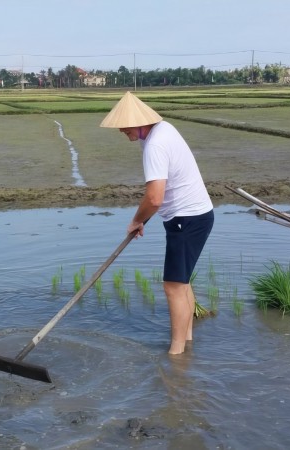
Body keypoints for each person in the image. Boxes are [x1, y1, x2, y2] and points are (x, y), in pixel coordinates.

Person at [100, 92, 215, 354]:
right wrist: (144, 220)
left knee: (173, 287)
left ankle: (176, 357)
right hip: (196, 215)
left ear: (139, 123)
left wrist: (137, 220)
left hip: (185, 220)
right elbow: (159, 197)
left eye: (124, 126)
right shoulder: (162, 129)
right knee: (182, 283)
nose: (120, 130)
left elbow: (154, 198)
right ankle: (186, 343)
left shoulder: (154, 145)